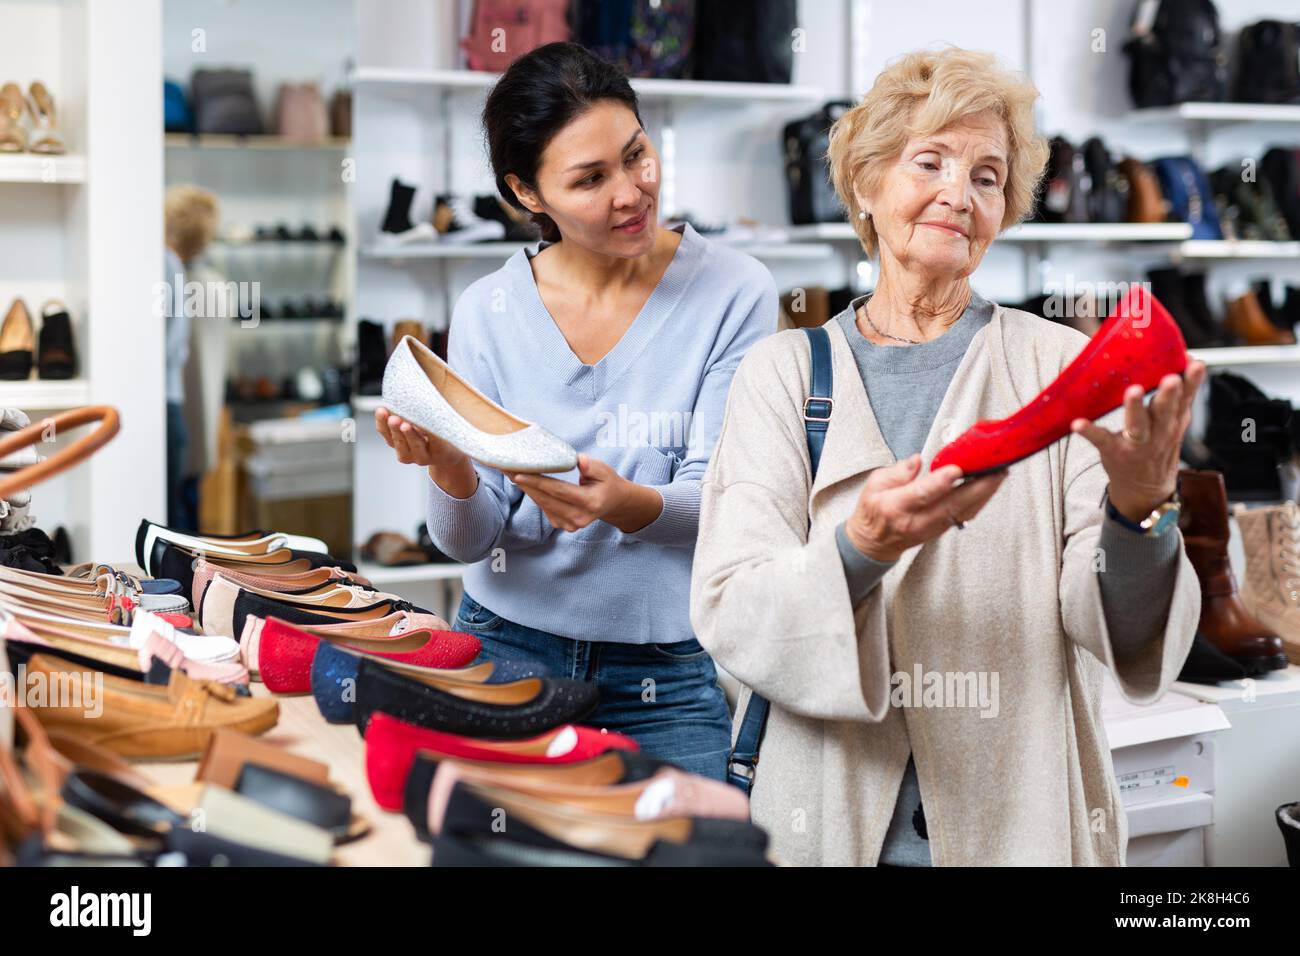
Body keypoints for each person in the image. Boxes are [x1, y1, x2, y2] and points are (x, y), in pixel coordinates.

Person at [690, 47, 1207, 864]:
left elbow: (1114, 626)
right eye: (928, 161)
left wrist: (1139, 511)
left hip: (1020, 817)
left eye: (988, 177)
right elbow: (733, 611)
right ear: (866, 184)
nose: (957, 195)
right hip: (826, 817)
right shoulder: (784, 375)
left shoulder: (1058, 366)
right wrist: (860, 549)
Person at [375, 42, 774, 780]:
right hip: (504, 650)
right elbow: (468, 541)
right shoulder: (488, 310)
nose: (631, 192)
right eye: (590, 178)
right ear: (527, 194)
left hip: (666, 675)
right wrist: (452, 465)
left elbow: (723, 498)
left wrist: (624, 505)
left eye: (637, 155)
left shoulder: (735, 290)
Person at [163, 184, 219, 531]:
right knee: (182, 510)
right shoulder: (186, 273)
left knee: (171, 515)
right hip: (182, 409)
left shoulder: (165, 265)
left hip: (166, 405)